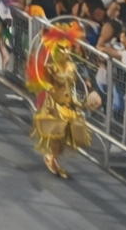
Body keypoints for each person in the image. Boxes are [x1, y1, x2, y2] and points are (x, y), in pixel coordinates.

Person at [28, 24, 96, 177]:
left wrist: (82, 101)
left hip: (68, 104)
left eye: (68, 48)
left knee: (65, 137)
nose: (66, 52)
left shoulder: (71, 66)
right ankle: (51, 157)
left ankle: (54, 157)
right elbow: (40, 80)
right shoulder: (50, 66)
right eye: (61, 48)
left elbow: (74, 85)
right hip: (53, 105)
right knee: (55, 135)